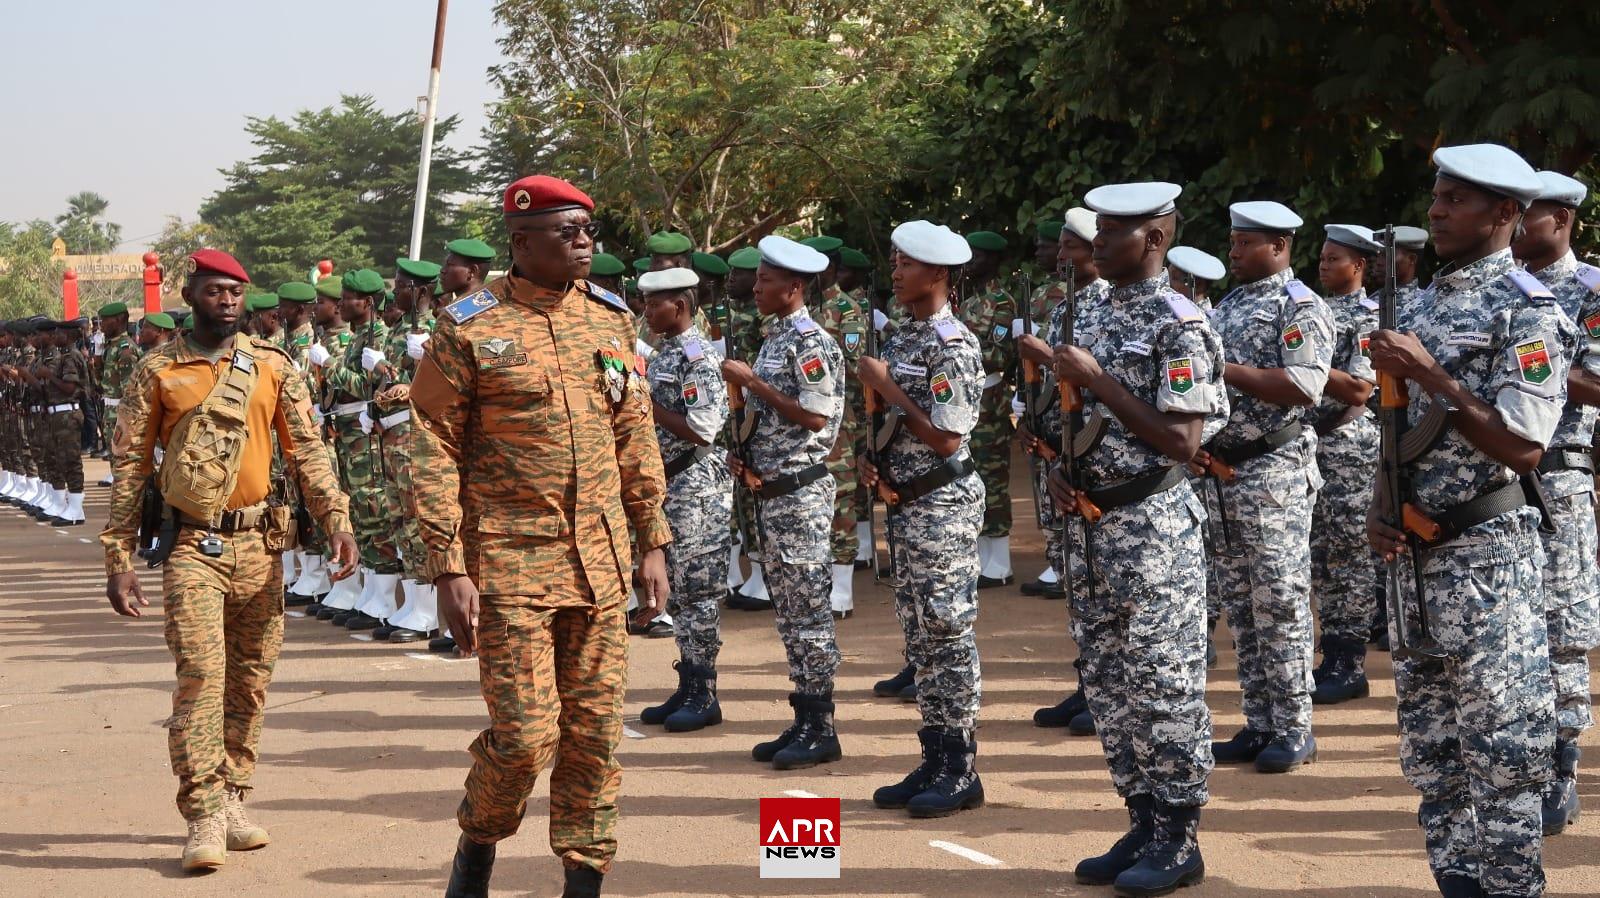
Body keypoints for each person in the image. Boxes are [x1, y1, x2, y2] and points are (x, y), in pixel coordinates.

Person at [412, 175, 669, 898]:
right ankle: (478, 842)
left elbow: (634, 433)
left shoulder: (611, 321)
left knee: (594, 737)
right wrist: (447, 566)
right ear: (521, 242)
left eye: (588, 229)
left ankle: (583, 880)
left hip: (601, 562)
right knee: (527, 738)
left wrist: (653, 542)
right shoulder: (468, 325)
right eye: (566, 231)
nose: (584, 242)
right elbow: (431, 443)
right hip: (510, 564)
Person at [101, 249, 356, 873]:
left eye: (237, 292)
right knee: (200, 681)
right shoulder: (156, 370)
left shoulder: (271, 366)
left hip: (262, 546)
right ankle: (203, 811)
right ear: (190, 294)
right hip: (193, 547)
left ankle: (235, 796)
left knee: (250, 681)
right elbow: (131, 467)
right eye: (215, 291)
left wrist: (337, 520)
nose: (229, 301)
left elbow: (308, 452)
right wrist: (119, 555)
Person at [1367, 143, 1568, 898]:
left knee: (1501, 752)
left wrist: (1430, 374)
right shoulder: (1418, 304)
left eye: (1456, 199)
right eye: (1437, 196)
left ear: (1506, 213)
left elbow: (1521, 444)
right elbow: (1392, 438)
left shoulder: (1528, 308)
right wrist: (1379, 515)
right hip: (1412, 564)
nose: (1437, 210)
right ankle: (1456, 881)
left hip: (1486, 559)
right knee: (1433, 751)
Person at [1035, 180, 1226, 894]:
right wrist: (1062, 471)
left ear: (1154, 239)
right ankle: (1142, 818)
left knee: (1162, 682)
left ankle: (1179, 835)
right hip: (1090, 527)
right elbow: (1073, 420)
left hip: (1153, 530)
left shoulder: (1182, 323)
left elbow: (1182, 439)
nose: (1096, 244)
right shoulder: (1084, 309)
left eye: (1112, 233)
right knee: (1109, 682)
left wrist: (1103, 381)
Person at [1200, 200, 1334, 774]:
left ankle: (1294, 727)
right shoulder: (1226, 306)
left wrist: (1221, 369)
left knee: (1279, 600)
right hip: (1224, 473)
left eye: (1245, 242)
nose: (1233, 251)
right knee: (1241, 605)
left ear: (1278, 246)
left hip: (1272, 472)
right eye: (1232, 241)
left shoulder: (1299, 306)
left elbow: (1305, 385)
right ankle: (1260, 722)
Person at [860, 220, 987, 818]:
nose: (896, 271)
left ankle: (961, 768)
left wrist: (889, 390)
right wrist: (873, 458)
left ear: (936, 274)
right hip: (909, 503)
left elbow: (945, 434)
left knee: (947, 631)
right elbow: (896, 424)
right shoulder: (906, 338)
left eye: (906, 263)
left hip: (943, 503)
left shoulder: (952, 345)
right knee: (920, 636)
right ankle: (934, 755)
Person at [721, 235, 846, 770]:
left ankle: (821, 726)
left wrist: (752, 383)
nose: (755, 287)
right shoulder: (777, 338)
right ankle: (804, 716)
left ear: (794, 288)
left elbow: (815, 417)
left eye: (766, 280)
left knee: (809, 611)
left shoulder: (810, 342)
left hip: (800, 496)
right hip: (772, 492)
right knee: (791, 613)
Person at [1511, 169, 1599, 837]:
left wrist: (1519, 366)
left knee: (1561, 628)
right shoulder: (1495, 289)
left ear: (1562, 220)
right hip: (1497, 482)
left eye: (1528, 212)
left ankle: (1561, 768)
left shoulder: (1589, 291)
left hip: (1560, 476)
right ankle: (1519, 763)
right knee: (1509, 634)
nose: (1515, 222)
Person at [1020, 207, 1110, 736]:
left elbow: (1101, 386)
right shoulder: (1065, 308)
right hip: (1058, 457)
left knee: (1098, 582)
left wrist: (1045, 356)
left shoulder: (1104, 307)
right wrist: (1030, 422)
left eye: (1069, 248)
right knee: (1077, 580)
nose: (1061, 257)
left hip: (1092, 463)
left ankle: (1103, 690)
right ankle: (1088, 682)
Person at [635, 266, 733, 733]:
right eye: (646, 302)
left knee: (697, 590)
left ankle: (704, 691)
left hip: (696, 484)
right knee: (680, 586)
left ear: (681, 304)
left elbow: (702, 427)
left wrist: (642, 402)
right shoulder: (667, 352)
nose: (648, 310)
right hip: (672, 484)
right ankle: (689, 681)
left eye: (656, 303)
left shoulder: (696, 355)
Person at [1305, 224, 1382, 706]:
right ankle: (1327, 653)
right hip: (1309, 446)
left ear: (1359, 266)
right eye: (1323, 257)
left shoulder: (1370, 318)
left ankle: (1348, 661)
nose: (1324, 264)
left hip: (1349, 447)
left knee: (1349, 555)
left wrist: (1304, 364)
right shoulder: (1311, 310)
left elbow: (1359, 388)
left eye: (1335, 258)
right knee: (1320, 556)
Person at [319, 270, 400, 630]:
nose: (341, 304)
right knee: (358, 512)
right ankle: (369, 591)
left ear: (367, 303)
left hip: (367, 433)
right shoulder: (357, 339)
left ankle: (383, 598)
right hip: (351, 435)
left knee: (374, 509)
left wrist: (329, 366)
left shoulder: (379, 337)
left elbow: (375, 386)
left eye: (348, 298)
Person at [373, 258, 444, 643]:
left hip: (418, 435)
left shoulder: (436, 327)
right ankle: (416, 601)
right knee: (400, 518)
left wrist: (427, 359)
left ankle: (430, 609)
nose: (395, 290)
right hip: (392, 433)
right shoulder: (398, 329)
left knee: (418, 519)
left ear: (420, 290)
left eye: (401, 284)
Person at [801, 235, 867, 619]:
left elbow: (856, 368)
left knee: (840, 500)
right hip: (801, 424)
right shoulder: (800, 308)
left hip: (839, 423)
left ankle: (842, 589)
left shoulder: (847, 309)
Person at [957, 230, 1020, 588]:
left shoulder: (1002, 302)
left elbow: (999, 355)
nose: (969, 264)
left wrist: (957, 350)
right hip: (969, 397)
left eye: (976, 256)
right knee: (972, 476)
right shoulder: (968, 302)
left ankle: (1000, 562)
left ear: (992, 261)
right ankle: (983, 558)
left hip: (989, 398)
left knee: (993, 477)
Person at [723, 245, 775, 610]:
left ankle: (767, 576)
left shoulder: (766, 320)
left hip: (760, 412)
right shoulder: (732, 313)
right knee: (745, 490)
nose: (734, 281)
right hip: (739, 410)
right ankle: (757, 574)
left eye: (740, 275)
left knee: (760, 491)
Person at [38, 318, 90, 524]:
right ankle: (70, 506)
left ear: (67, 336)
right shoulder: (66, 356)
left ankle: (76, 509)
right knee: (61, 460)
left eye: (58, 333)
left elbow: (69, 388)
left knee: (71, 461)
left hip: (68, 414)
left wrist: (48, 375)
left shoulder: (71, 357)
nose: (54, 336)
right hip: (59, 414)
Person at [96, 302, 141, 488]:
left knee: (123, 464)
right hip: (110, 411)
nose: (101, 325)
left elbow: (129, 392)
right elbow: (100, 383)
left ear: (119, 319)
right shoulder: (111, 347)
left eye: (105, 321)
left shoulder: (125, 349)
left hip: (121, 413)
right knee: (115, 462)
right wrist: (97, 357)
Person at [1166, 246, 1226, 310]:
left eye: (1174, 278)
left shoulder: (1198, 318)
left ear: (1198, 285)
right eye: (1167, 275)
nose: (1166, 282)